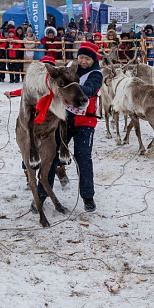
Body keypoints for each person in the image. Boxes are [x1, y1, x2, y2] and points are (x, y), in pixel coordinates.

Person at [38, 41, 103, 212]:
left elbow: (88, 89)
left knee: (83, 159)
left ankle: (88, 197)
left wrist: (68, 86)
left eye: (87, 59)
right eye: (81, 57)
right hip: (62, 120)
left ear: (93, 60)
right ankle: (41, 195)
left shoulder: (96, 74)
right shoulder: (68, 68)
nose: (83, 61)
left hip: (85, 122)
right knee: (50, 157)